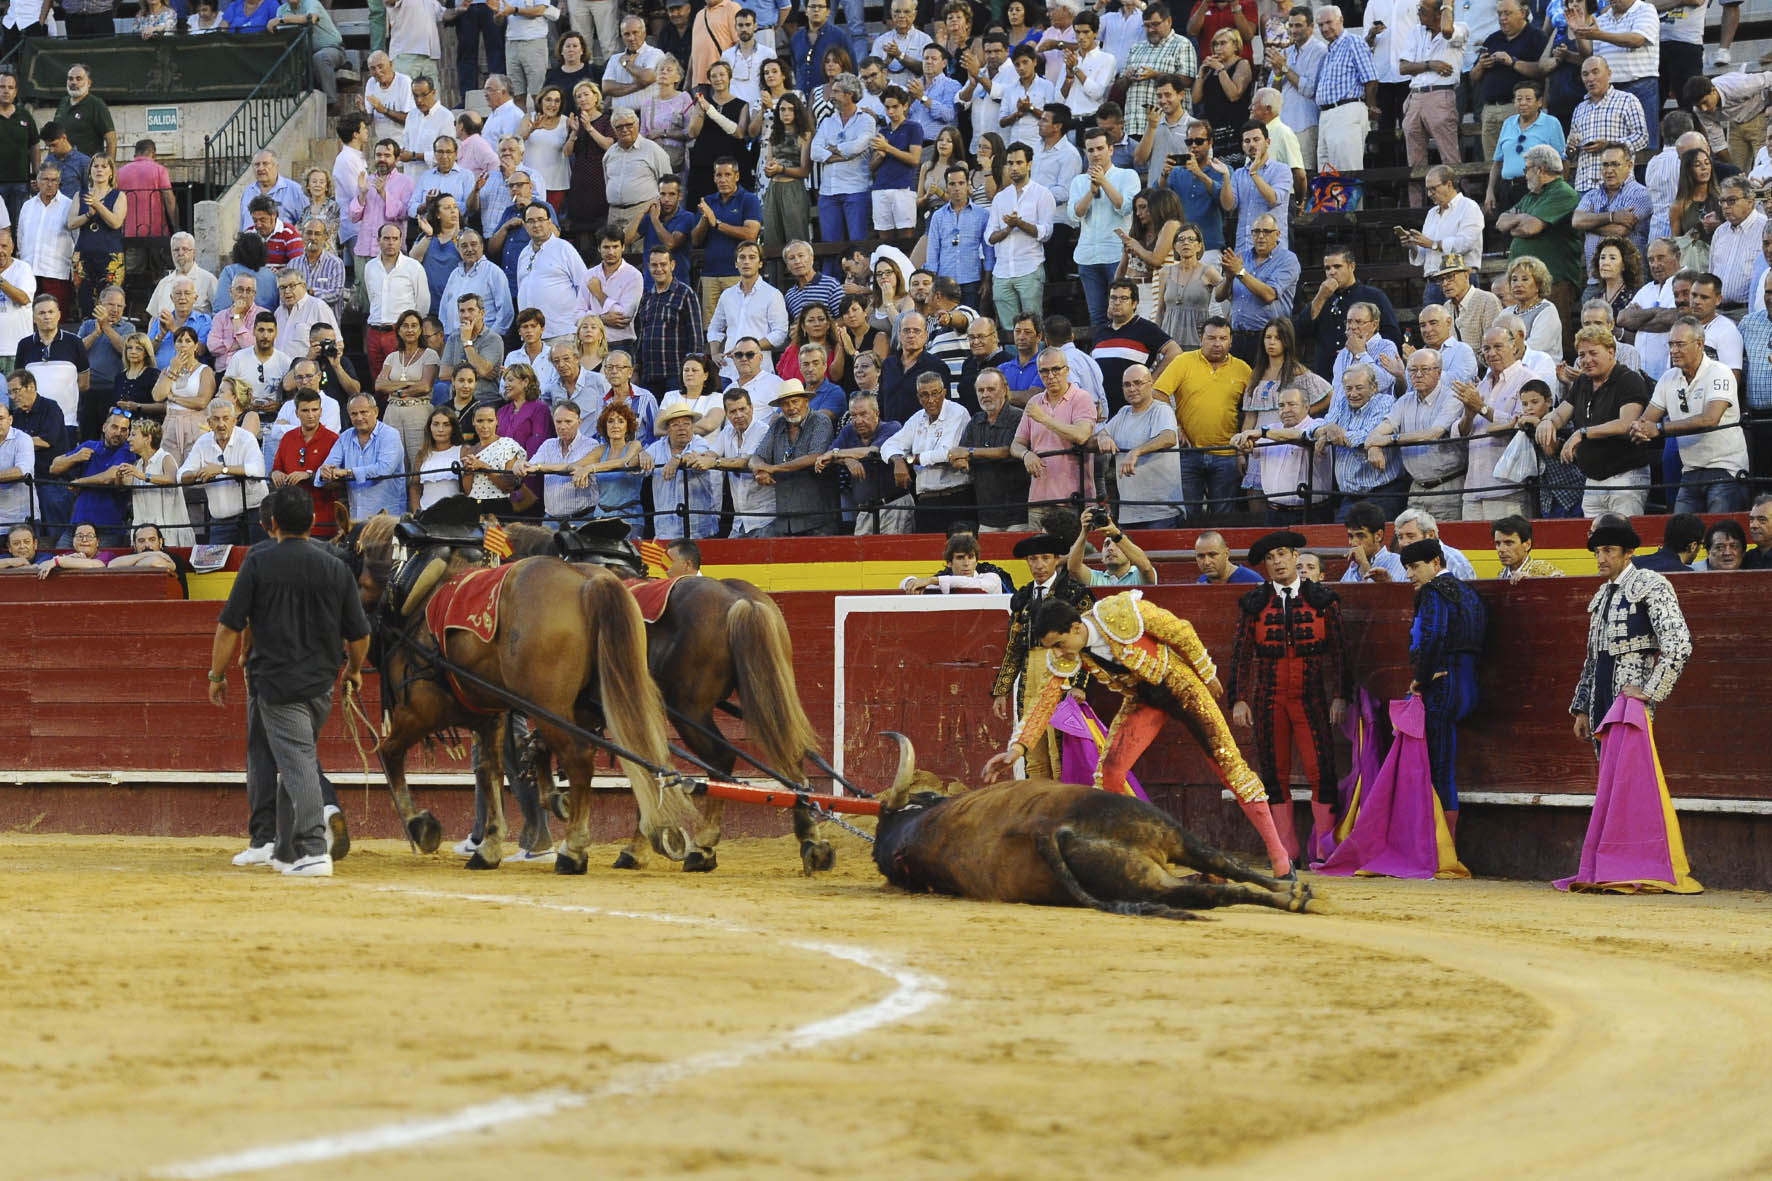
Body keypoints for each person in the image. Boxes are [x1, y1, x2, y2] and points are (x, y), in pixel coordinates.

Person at [983, 590, 1296, 879]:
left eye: (1058, 644)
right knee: (1110, 775)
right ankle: (1141, 856)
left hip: (1181, 686)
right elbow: (1044, 699)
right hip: (1143, 700)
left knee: (1230, 766)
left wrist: (1207, 672)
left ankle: (1280, 860)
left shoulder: (1120, 611)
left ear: (1076, 629)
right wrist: (1018, 748)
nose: (1058, 653)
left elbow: (1180, 630)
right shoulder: (1066, 653)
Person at [210, 485, 370, 878]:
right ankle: (284, 850)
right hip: (320, 684)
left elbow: (231, 625)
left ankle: (314, 849)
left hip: (277, 683)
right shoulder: (335, 566)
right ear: (314, 522)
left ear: (273, 523)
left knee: (296, 763)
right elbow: (360, 634)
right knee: (292, 757)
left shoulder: (259, 561)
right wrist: (353, 670)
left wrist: (217, 674)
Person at [1229, 529, 1351, 865]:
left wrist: (1341, 695)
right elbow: (1240, 653)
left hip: (1310, 698)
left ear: (1297, 557)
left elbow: (1341, 652)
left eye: (1282, 554)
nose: (1277, 561)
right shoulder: (1254, 603)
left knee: (1321, 771)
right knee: (1273, 772)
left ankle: (1326, 847)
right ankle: (1285, 849)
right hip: (1268, 699)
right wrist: (1239, 698)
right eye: (1270, 557)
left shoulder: (1324, 599)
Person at [1398, 537, 1485, 843]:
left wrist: (1421, 678)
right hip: (1469, 683)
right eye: (1406, 568)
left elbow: (1432, 636)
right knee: (1443, 764)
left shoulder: (1433, 592)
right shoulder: (1469, 592)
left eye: (1414, 567)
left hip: (1442, 684)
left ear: (1436, 563)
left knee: (1437, 766)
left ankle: (1440, 849)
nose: (1410, 575)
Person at [989, 529, 1094, 778]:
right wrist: (1002, 689)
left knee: (1060, 748)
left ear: (1057, 559)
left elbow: (1088, 642)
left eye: (1045, 558)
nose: (1039, 565)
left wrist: (1080, 684)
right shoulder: (1022, 598)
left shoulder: (1075, 593)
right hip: (1030, 675)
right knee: (1033, 750)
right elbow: (1014, 646)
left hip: (1063, 670)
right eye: (1033, 559)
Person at [1630, 317, 1749, 514]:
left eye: (1680, 344)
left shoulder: (1720, 372)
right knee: (1681, 537)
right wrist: (1639, 429)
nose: (1673, 350)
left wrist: (1659, 429)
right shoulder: (1669, 378)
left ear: (1700, 344)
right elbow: (1646, 420)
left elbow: (1710, 419)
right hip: (1690, 471)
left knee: (1718, 535)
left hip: (1725, 470)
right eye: (1671, 344)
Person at [880, 370, 972, 533]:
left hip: (956, 497)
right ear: (918, 397)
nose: (930, 400)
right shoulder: (917, 418)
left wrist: (910, 460)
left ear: (944, 393)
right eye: (924, 395)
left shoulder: (957, 412)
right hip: (926, 500)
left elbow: (946, 453)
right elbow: (888, 446)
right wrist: (898, 461)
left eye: (935, 393)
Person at [750, 382, 838, 535]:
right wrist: (759, 471)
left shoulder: (821, 421)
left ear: (806, 401)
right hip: (785, 520)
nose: (790, 408)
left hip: (819, 519)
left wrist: (773, 468)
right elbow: (757, 456)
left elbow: (815, 457)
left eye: (795, 401)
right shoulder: (777, 424)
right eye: (784, 404)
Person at [178, 396, 267, 543]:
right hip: (221, 520)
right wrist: (198, 474)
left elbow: (258, 469)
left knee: (257, 561)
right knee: (218, 564)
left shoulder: (247, 438)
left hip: (253, 514)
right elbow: (181, 475)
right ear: (209, 423)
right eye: (216, 419)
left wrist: (222, 470)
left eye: (226, 418)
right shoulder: (202, 443)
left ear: (234, 421)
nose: (221, 424)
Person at [316, 394, 406, 522]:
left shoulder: (390, 435)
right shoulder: (345, 437)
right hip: (356, 518)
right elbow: (327, 466)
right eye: (354, 414)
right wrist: (325, 473)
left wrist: (347, 472)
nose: (359, 417)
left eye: (364, 412)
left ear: (375, 412)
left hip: (387, 520)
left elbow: (384, 469)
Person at [1064, 505, 1156, 586]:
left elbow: (1146, 568)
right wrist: (1084, 531)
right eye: (1106, 545)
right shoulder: (1096, 578)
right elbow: (1073, 568)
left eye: (1117, 545)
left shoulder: (1137, 575)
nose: (1110, 548)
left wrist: (1116, 534)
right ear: (1101, 558)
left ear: (1129, 554)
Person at [903, 529, 1014, 593]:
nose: (966, 563)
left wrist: (932, 580)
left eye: (971, 557)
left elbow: (972, 584)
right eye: (960, 558)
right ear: (949, 562)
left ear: (976, 560)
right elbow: (903, 583)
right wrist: (910, 582)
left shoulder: (991, 578)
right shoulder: (942, 581)